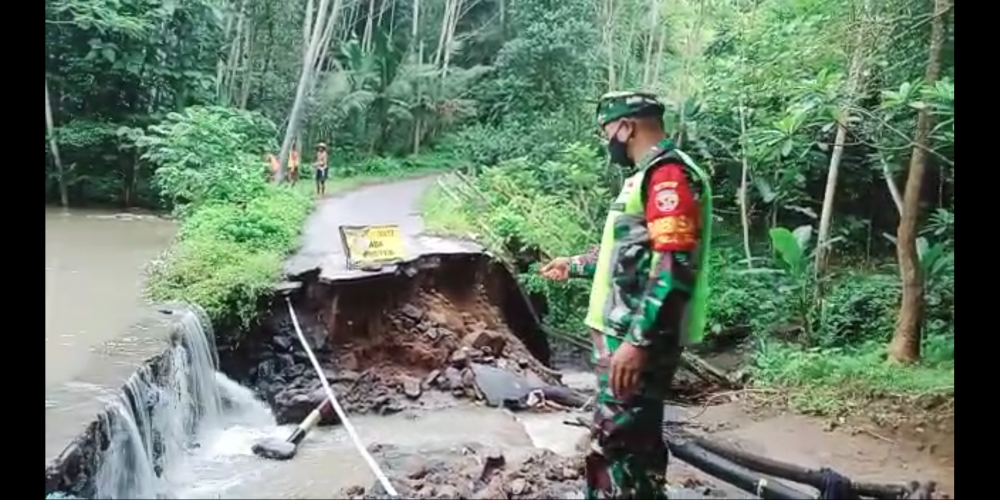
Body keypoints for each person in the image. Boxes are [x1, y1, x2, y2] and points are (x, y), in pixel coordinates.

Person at [539, 91, 714, 499]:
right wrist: (575, 264)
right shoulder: (645, 176)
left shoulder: (668, 176)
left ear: (626, 126)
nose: (607, 142)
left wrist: (637, 342)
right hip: (627, 338)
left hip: (636, 341)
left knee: (617, 448)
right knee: (636, 446)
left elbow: (673, 266)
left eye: (607, 132)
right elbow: (630, 254)